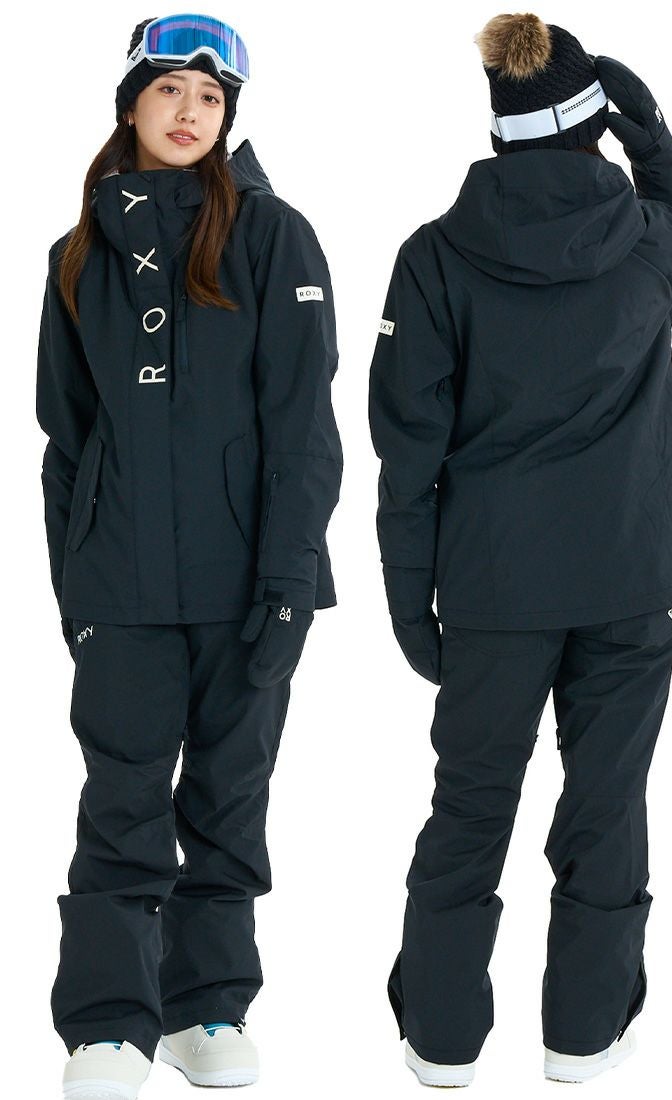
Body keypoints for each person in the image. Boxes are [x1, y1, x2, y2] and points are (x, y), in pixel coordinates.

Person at [368, 11, 672, 1087]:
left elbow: (405, 450)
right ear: (593, 126)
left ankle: (440, 1041)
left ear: (499, 128)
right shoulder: (645, 239)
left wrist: (408, 598)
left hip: (491, 588)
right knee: (606, 802)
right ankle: (581, 1033)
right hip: (631, 574)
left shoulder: (433, 257)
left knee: (471, 804)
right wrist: (647, 126)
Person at [36, 13, 342, 1098]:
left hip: (244, 579)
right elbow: (66, 437)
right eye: (170, 90)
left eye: (210, 98)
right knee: (119, 801)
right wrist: (74, 582)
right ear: (131, 105)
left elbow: (303, 424)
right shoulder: (78, 255)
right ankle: (109, 1026)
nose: (190, 112)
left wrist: (290, 579)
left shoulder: (272, 235)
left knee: (227, 796)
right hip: (121, 582)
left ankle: (207, 1005)